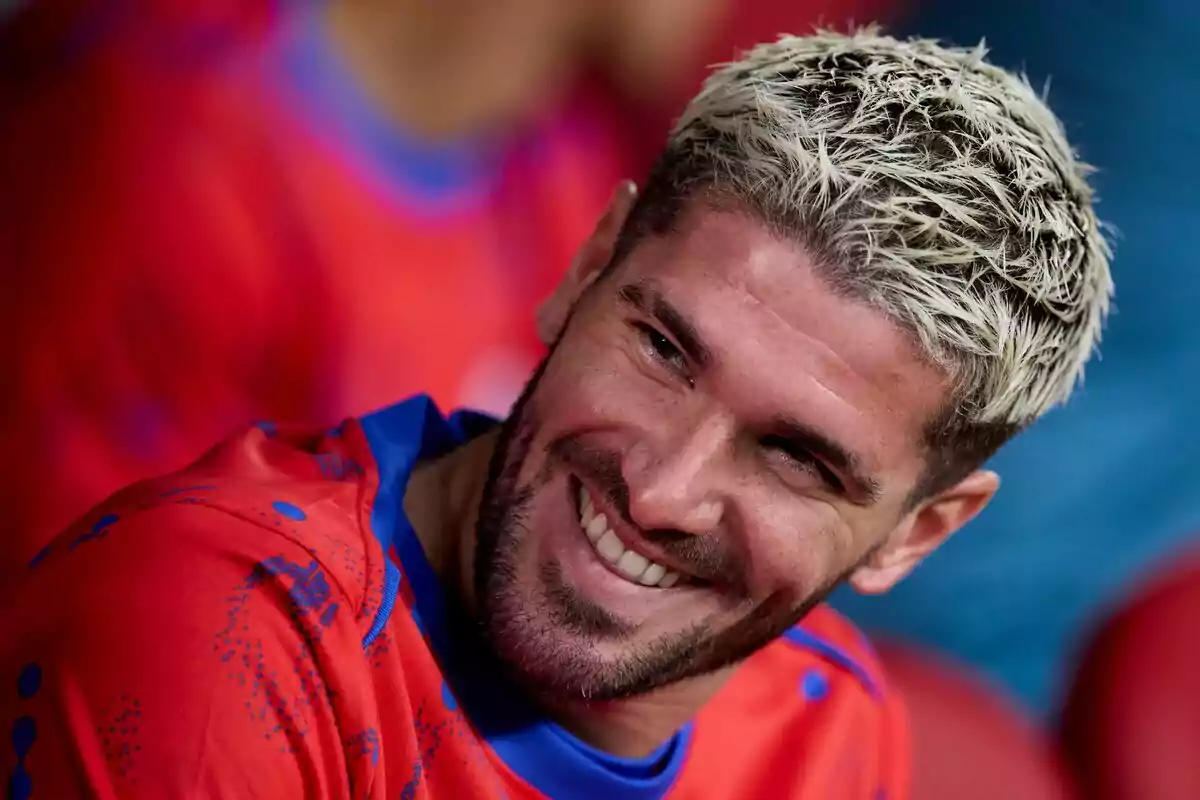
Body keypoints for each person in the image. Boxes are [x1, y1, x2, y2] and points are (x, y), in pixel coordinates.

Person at [0, 28, 1112, 799]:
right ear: (584, 271)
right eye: (664, 349)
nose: (659, 487)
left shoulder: (828, 726)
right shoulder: (224, 631)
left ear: (919, 529)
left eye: (795, 457)